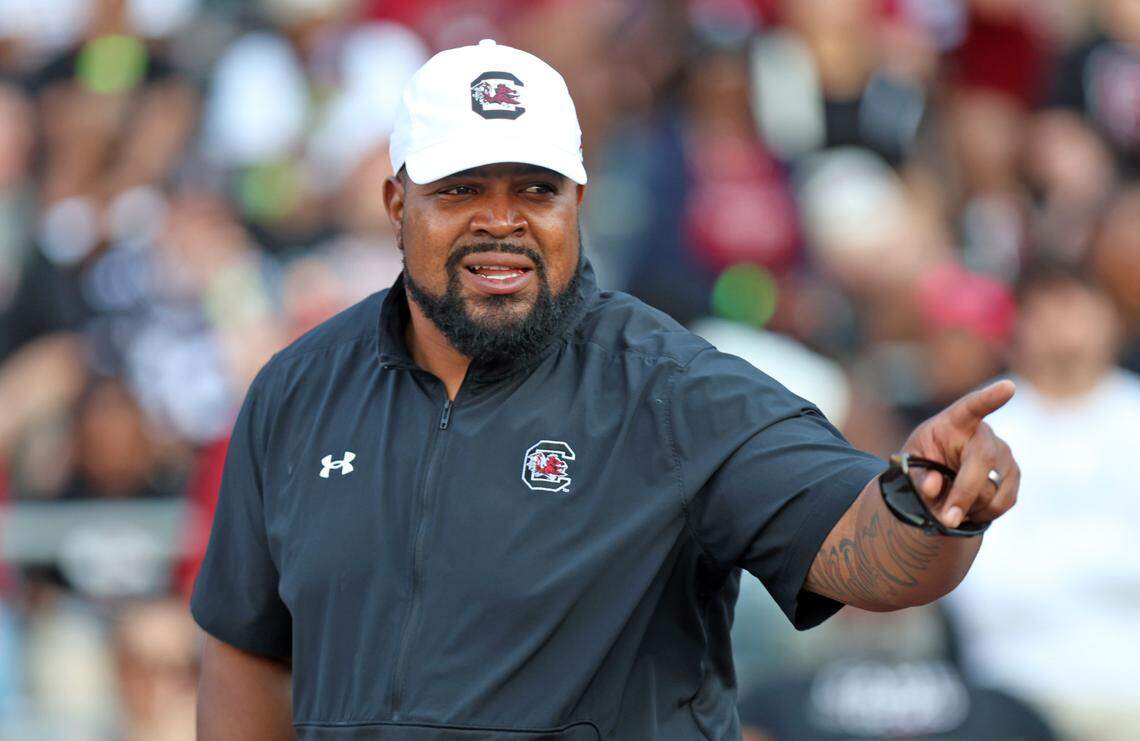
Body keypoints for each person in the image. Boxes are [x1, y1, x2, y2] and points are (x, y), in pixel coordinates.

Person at [191, 40, 1020, 740]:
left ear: (578, 202)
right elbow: (248, 651)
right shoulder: (297, 390)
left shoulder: (671, 387)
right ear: (395, 201)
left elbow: (863, 551)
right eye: (461, 189)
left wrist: (931, 503)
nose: (502, 219)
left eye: (536, 189)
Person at [945, 265, 1140, 739]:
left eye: (1077, 305)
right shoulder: (978, 424)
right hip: (1012, 691)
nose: (1063, 323)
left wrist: (1057, 559)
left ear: (1111, 319)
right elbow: (980, 585)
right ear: (1019, 325)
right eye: (1047, 308)